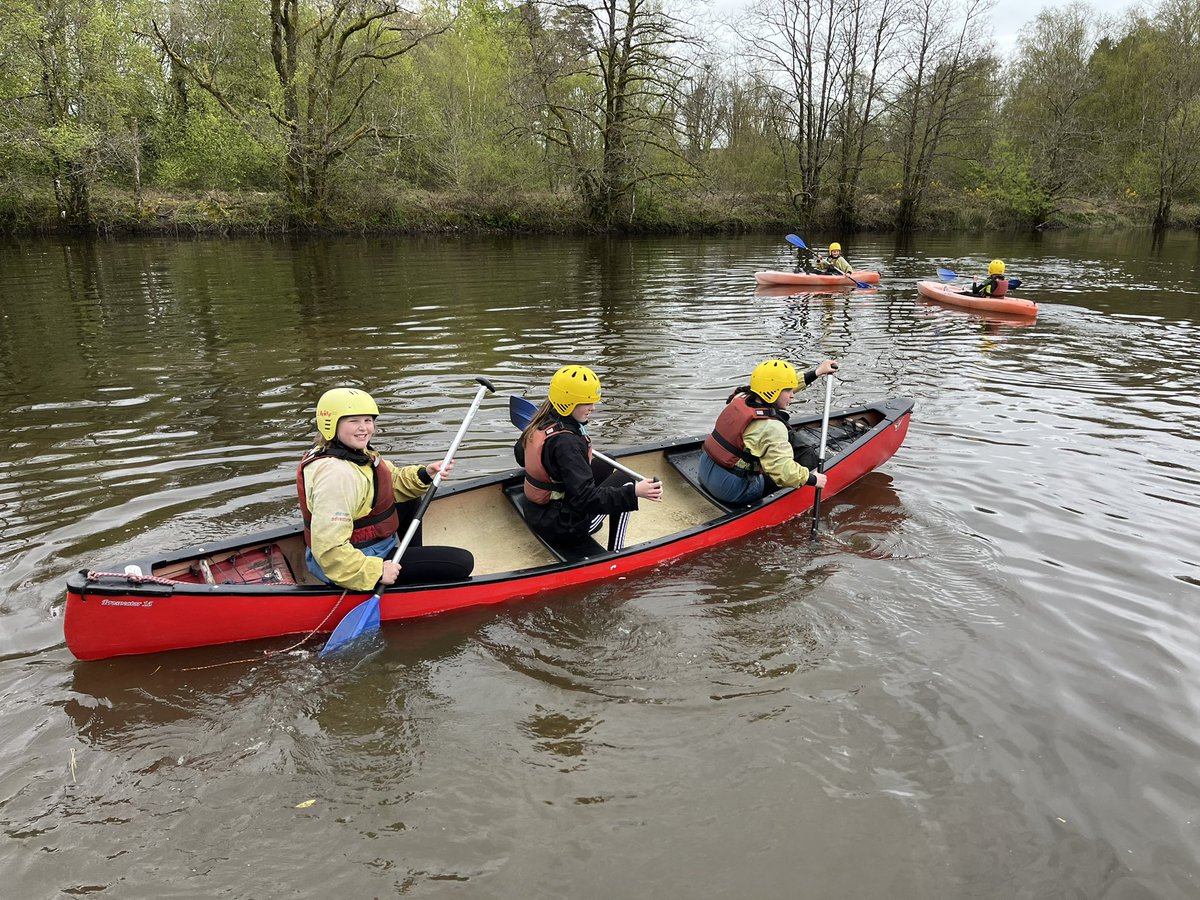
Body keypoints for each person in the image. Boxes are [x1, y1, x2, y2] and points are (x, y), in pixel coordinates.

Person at [297, 387, 474, 590]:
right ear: (331, 424)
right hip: (354, 562)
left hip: (372, 547)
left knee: (409, 497)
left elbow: (390, 482)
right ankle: (406, 574)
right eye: (353, 421)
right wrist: (377, 570)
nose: (364, 428)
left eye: (368, 420)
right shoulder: (336, 475)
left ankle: (410, 562)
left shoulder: (356, 453)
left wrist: (426, 473)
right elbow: (329, 549)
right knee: (462, 562)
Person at [515, 365, 662, 552]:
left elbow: (521, 457)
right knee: (627, 481)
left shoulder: (540, 422)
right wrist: (635, 492)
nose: (593, 408)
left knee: (607, 460)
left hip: (538, 511)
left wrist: (561, 465)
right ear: (568, 403)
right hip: (565, 527)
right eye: (587, 403)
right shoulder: (567, 444)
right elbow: (585, 500)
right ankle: (615, 552)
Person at [700, 358, 839, 505]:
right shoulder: (771, 427)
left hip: (705, 469)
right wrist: (813, 479)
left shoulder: (741, 397)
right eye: (788, 390)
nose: (792, 395)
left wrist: (817, 372)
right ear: (773, 392)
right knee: (803, 459)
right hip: (732, 490)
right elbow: (783, 471)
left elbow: (777, 386)